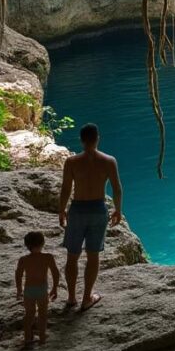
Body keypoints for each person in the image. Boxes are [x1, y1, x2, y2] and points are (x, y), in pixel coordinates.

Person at [59, 123, 123, 311]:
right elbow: (117, 189)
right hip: (98, 210)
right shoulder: (109, 161)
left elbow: (65, 189)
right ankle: (87, 298)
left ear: (81, 140)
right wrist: (118, 210)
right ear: (97, 139)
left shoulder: (71, 162)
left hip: (77, 210)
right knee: (93, 256)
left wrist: (61, 210)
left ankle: (71, 298)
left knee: (72, 256)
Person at [15, 231, 60, 346]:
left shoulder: (23, 259)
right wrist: (54, 288)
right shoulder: (48, 257)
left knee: (29, 314)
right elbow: (55, 273)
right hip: (42, 290)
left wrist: (19, 289)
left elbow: (18, 275)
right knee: (42, 314)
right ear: (43, 243)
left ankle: (27, 338)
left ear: (27, 245)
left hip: (29, 290)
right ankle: (42, 338)